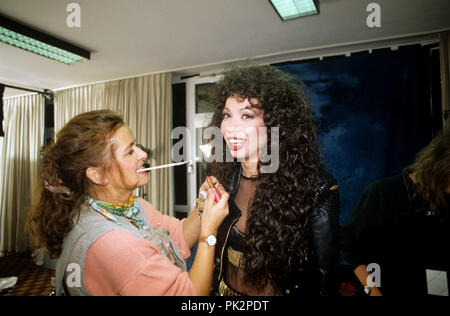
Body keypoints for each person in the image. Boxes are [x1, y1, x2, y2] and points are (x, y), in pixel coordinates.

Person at [26, 110, 229, 296]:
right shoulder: (114, 244)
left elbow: (179, 236)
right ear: (97, 174)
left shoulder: (131, 206)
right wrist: (209, 234)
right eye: (130, 151)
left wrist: (202, 205)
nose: (143, 155)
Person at [207, 65, 341, 296]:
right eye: (227, 115)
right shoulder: (223, 179)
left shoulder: (315, 186)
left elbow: (325, 279)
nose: (230, 128)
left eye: (246, 115)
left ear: (274, 123)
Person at [341, 131, 450, 296]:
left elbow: (436, 263)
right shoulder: (382, 192)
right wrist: (372, 289)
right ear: (439, 169)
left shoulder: (442, 201)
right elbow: (353, 250)